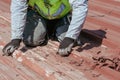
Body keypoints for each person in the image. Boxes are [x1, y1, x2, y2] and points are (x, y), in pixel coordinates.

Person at [2, 0, 88, 57]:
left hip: (63, 15)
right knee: (31, 41)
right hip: (38, 13)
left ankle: (57, 27)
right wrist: (16, 38)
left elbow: (80, 7)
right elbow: (18, 8)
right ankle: (47, 29)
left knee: (69, 41)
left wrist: (70, 37)